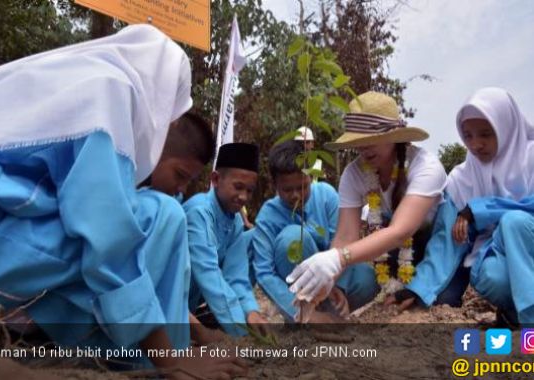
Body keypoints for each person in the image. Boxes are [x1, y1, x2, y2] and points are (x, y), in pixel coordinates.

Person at [0, 25, 246, 378]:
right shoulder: (110, 94)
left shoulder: (71, 82)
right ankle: (162, 366)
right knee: (159, 217)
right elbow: (111, 248)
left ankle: (31, 335)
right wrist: (173, 360)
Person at [286, 91, 448, 309]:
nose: (363, 148)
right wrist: (327, 276)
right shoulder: (353, 174)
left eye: (372, 140)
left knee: (444, 297)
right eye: (358, 142)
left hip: (438, 245)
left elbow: (401, 230)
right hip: (392, 250)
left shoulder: (425, 167)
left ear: (394, 138)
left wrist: (338, 258)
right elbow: (346, 235)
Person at [389, 88, 534, 324]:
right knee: (490, 275)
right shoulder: (462, 179)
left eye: (486, 134)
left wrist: (479, 210)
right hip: (502, 253)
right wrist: (418, 288)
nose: (475, 144)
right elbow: (446, 238)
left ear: (506, 127)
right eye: (468, 135)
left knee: (514, 222)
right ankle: (516, 313)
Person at [251, 140, 378, 322]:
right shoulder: (267, 216)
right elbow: (264, 273)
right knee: (294, 239)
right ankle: (307, 314)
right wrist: (301, 314)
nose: (296, 195)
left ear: (310, 177)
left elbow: (342, 241)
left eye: (303, 187)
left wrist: (336, 285)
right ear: (275, 185)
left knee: (367, 277)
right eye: (287, 190)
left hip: (333, 280)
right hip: (296, 293)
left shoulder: (327, 196)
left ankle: (332, 312)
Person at [183, 143, 268, 336]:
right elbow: (209, 275)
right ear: (215, 179)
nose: (243, 196)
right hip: (171, 310)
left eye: (250, 190)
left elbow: (236, 275)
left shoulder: (235, 220)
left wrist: (251, 312)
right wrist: (241, 333)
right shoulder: (199, 213)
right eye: (238, 187)